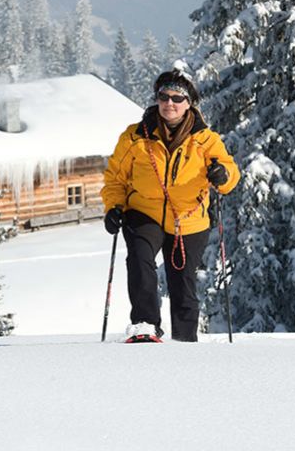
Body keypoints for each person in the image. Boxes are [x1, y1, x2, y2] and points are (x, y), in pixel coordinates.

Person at [101, 68, 240, 342]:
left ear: (189, 103)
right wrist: (113, 207)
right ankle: (145, 325)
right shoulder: (135, 136)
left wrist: (222, 175)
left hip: (188, 220)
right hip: (144, 212)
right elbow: (115, 177)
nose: (170, 103)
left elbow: (229, 175)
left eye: (178, 98)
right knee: (140, 260)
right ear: (157, 99)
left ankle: (185, 341)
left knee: (182, 284)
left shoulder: (205, 140)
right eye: (164, 96)